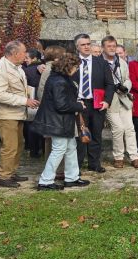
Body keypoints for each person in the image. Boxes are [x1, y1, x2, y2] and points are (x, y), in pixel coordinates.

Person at [32, 54, 90, 190]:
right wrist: (79, 106)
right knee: (59, 150)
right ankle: (45, 181)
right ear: (69, 67)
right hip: (58, 121)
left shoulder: (59, 78)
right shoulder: (60, 81)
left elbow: (63, 101)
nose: (76, 70)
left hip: (61, 121)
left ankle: (72, 177)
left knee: (70, 148)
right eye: (75, 67)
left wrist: (75, 103)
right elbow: (61, 105)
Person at [0, 41, 39, 188]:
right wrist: (24, 100)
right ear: (15, 53)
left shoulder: (17, 67)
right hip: (5, 114)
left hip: (17, 113)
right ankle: (3, 177)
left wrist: (28, 97)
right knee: (10, 146)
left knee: (18, 145)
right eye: (24, 52)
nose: (26, 55)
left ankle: (11, 172)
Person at [73, 33, 115, 173]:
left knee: (96, 134)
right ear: (77, 47)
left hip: (97, 104)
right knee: (80, 135)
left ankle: (94, 163)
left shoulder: (100, 62)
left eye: (88, 44)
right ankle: (77, 166)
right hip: (79, 104)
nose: (86, 46)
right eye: (83, 44)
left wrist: (107, 101)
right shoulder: (72, 62)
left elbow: (110, 84)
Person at [102, 36, 138, 169]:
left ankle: (134, 156)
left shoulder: (122, 62)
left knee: (130, 129)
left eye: (114, 46)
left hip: (124, 98)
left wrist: (125, 87)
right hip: (110, 100)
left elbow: (128, 79)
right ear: (104, 48)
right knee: (118, 129)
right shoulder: (99, 63)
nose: (112, 48)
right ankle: (118, 157)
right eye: (109, 46)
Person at [22, 48, 45, 158]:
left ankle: (33, 150)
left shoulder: (27, 71)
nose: (24, 60)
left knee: (31, 125)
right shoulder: (45, 68)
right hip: (42, 101)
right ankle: (42, 149)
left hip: (33, 100)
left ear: (34, 58)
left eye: (27, 58)